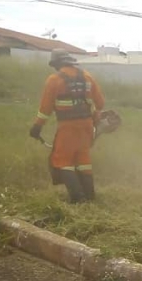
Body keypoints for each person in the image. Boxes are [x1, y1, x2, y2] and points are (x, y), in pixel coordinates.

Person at [29, 49, 106, 203]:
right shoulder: (87, 77)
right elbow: (100, 103)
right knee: (83, 159)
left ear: (57, 63)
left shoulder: (54, 79)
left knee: (62, 160)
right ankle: (90, 196)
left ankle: (78, 199)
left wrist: (37, 127)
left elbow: (45, 109)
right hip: (87, 126)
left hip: (68, 127)